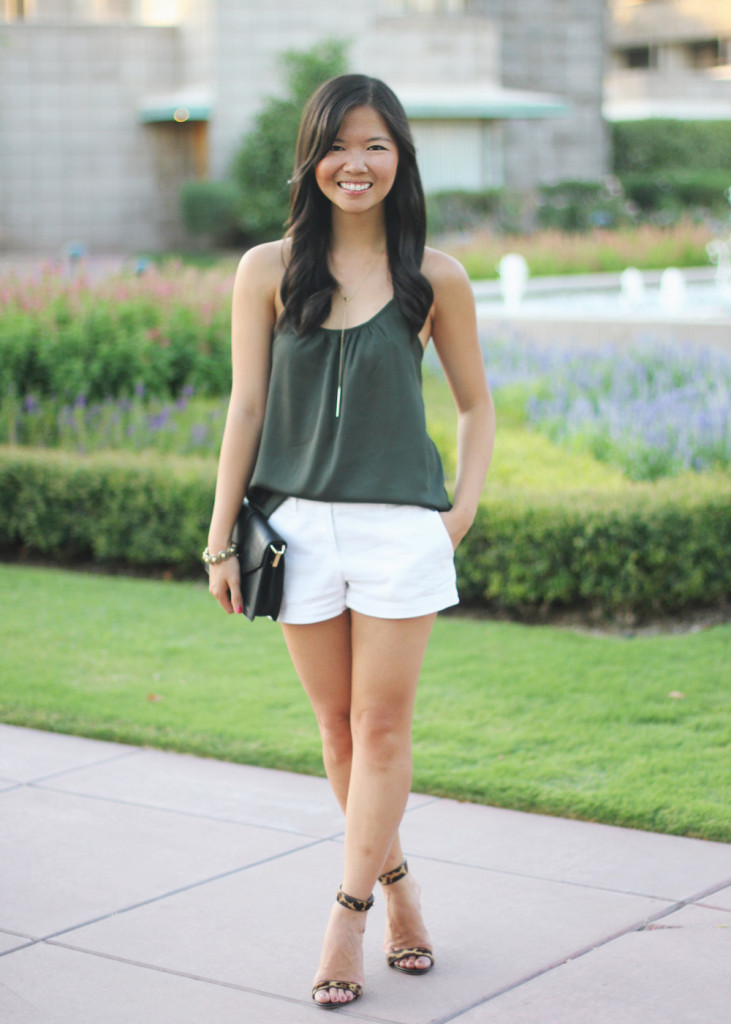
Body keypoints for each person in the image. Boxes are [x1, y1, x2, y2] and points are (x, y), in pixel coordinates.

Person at [205, 73, 495, 1010]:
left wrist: (461, 511)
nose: (355, 163)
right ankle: (403, 889)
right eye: (338, 145)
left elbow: (474, 404)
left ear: (399, 156)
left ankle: (347, 914)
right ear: (312, 157)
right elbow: (246, 407)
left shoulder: (432, 277)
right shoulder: (266, 268)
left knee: (379, 730)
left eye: (374, 145)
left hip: (397, 532)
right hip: (293, 532)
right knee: (336, 733)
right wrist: (220, 542)